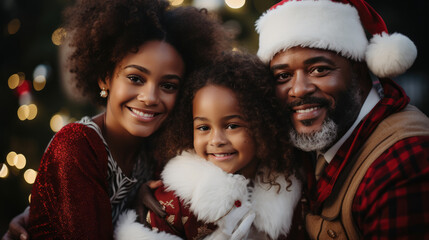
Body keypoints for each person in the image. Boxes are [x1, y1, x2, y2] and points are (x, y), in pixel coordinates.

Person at [2, 0, 228, 239]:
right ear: (104, 78)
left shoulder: (159, 150)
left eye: (168, 85)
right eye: (136, 78)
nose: (150, 97)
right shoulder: (76, 147)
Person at [255, 0, 429, 239]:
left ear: (359, 69)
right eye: (283, 76)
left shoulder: (404, 159)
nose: (298, 89)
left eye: (319, 69)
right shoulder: (315, 144)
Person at [114, 52, 305, 240]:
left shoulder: (288, 194)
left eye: (232, 126)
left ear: (262, 125)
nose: (216, 140)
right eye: (203, 127)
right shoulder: (171, 203)